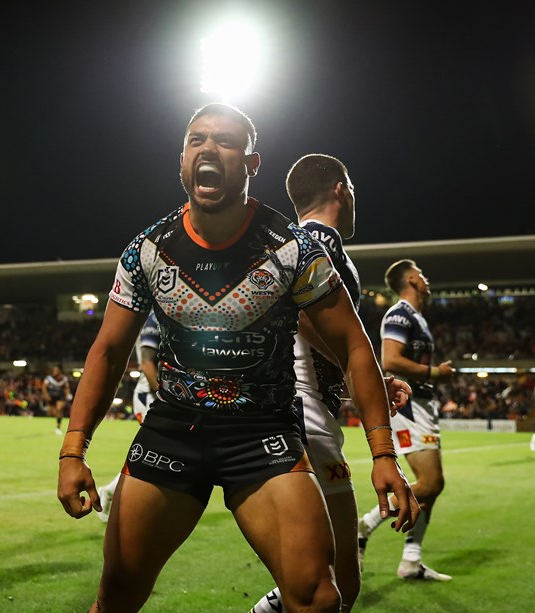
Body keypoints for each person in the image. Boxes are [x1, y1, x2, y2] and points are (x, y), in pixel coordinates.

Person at [56, 103, 420, 612]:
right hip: (172, 433)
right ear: (182, 160)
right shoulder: (148, 249)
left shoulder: (293, 249)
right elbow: (108, 351)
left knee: (319, 598)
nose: (208, 149)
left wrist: (383, 453)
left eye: (225, 141)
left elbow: (354, 345)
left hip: (262, 437)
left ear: (251, 163)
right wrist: (73, 451)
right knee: (115, 596)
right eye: (196, 140)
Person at [249, 154, 411, 612]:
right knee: (333, 585)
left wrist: (370, 377)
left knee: (330, 585)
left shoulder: (299, 241)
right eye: (353, 190)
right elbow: (304, 317)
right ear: (342, 189)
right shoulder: (319, 242)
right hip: (304, 420)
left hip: (307, 417)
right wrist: (369, 373)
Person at [358, 259, 454, 581]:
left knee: (432, 488)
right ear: (411, 279)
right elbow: (391, 360)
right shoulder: (399, 313)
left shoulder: (417, 318)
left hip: (424, 405)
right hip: (409, 405)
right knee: (430, 483)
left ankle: (411, 560)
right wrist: (434, 373)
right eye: (422, 275)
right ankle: (364, 526)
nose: (426, 280)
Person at [96, 311, 161, 523]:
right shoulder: (156, 316)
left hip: (168, 395)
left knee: (161, 454)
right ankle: (111, 492)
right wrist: (164, 396)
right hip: (150, 396)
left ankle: (113, 493)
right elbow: (147, 364)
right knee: (155, 451)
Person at [43, 364, 72, 435]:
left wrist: (67, 395)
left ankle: (58, 427)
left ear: (59, 371)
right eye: (53, 370)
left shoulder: (64, 379)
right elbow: (44, 387)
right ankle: (57, 418)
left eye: (56, 370)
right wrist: (46, 395)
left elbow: (67, 387)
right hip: (51, 396)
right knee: (51, 413)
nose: (54, 371)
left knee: (59, 409)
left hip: (60, 396)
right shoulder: (49, 378)